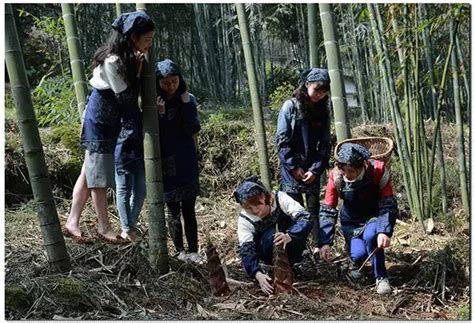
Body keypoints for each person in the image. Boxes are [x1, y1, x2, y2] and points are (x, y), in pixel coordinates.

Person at [63, 11, 155, 244]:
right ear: (133, 37)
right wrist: (145, 121)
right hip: (99, 122)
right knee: (99, 175)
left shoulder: (129, 57)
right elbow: (125, 98)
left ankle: (72, 221)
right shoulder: (113, 61)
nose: (149, 44)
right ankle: (104, 227)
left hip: (109, 122)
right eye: (147, 39)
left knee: (88, 172)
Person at [318, 143, 398, 295]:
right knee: (359, 254)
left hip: (374, 216)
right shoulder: (336, 178)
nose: (347, 174)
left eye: (352, 171)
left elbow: (388, 203)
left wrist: (384, 231)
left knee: (371, 236)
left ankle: (381, 277)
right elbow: (328, 209)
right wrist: (325, 242)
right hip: (351, 222)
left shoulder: (378, 171)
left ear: (363, 166)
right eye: (344, 170)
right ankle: (356, 263)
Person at [275, 67, 332, 249]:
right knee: (294, 210)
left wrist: (316, 169)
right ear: (307, 85)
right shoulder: (290, 106)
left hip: (311, 166)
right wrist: (293, 166)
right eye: (317, 89)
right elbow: (282, 141)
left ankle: (316, 248)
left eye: (324, 91)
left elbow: (325, 144)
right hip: (291, 167)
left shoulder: (323, 109)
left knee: (314, 210)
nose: (319, 95)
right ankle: (294, 251)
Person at [155, 59, 202, 262]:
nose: (171, 86)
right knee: (173, 209)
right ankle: (179, 251)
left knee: (189, 208)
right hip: (166, 161)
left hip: (186, 159)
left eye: (174, 81)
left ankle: (193, 250)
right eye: (165, 83)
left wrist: (186, 105)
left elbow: (193, 128)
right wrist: (161, 115)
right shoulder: (153, 102)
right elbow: (156, 134)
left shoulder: (187, 99)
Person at [234, 176, 313, 295]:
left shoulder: (280, 198)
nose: (254, 211)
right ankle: (269, 268)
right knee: (271, 236)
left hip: (291, 241)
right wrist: (257, 274)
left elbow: (305, 218)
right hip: (266, 251)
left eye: (257, 205)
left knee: (291, 233)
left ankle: (298, 261)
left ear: (264, 197)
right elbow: (246, 250)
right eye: (249, 208)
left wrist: (290, 235)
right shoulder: (245, 219)